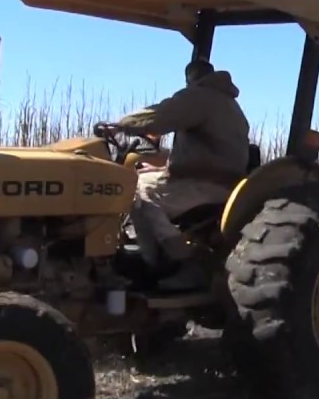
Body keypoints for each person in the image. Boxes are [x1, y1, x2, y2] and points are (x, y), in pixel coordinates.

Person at [108, 59, 251, 290]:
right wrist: (163, 170)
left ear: (191, 78)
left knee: (134, 192)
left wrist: (121, 125)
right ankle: (152, 257)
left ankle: (176, 262)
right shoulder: (229, 104)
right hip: (218, 181)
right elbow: (207, 156)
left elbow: (162, 115)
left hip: (205, 185)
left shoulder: (200, 96)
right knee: (142, 180)